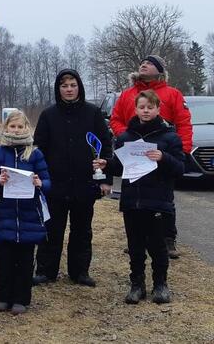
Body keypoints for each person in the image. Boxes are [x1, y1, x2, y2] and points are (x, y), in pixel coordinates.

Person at [96, 90, 183, 304]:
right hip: (132, 201)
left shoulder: (170, 137)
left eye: (150, 107)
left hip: (157, 201)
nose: (145, 111)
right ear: (135, 109)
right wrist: (107, 165)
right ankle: (137, 285)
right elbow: (119, 166)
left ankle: (160, 284)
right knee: (135, 246)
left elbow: (180, 168)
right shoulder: (126, 137)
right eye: (142, 107)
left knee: (157, 246)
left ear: (158, 109)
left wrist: (163, 157)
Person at [32, 69, 113, 287]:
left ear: (79, 87)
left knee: (82, 230)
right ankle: (46, 271)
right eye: (64, 85)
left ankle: (80, 272)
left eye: (73, 85)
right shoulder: (48, 115)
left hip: (85, 183)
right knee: (51, 229)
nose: (69, 89)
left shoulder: (93, 113)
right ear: (58, 89)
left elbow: (105, 147)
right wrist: (38, 177)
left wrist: (105, 179)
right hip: (54, 184)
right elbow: (39, 149)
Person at [109, 55, 192, 259]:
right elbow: (116, 119)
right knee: (135, 197)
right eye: (142, 63)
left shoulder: (172, 94)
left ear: (160, 70)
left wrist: (182, 150)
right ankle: (137, 240)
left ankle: (167, 238)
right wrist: (124, 137)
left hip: (161, 153)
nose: (143, 65)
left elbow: (183, 123)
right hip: (134, 153)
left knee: (164, 199)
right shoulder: (127, 94)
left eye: (150, 63)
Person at [0, 110, 51, 315]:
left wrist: (40, 183)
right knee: (5, 259)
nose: (16, 130)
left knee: (25, 260)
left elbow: (48, 182)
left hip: (30, 215)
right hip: (6, 213)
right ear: (6, 128)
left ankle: (21, 298)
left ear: (26, 128)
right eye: (13, 126)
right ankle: (3, 297)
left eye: (20, 127)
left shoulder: (35, 153)